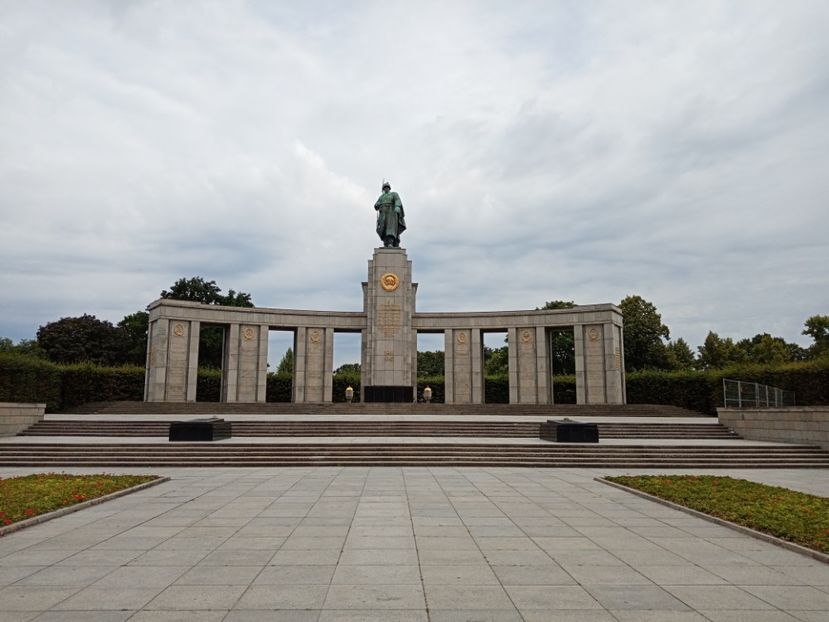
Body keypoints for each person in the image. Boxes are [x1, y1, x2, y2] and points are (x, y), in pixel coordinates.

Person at [374, 181, 406, 247]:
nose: (386, 188)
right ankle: (386, 242)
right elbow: (376, 205)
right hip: (383, 213)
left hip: (391, 212)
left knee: (390, 227)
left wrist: (397, 206)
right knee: (383, 228)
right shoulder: (381, 197)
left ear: (389, 188)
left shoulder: (394, 194)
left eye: (387, 187)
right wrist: (376, 205)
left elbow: (397, 200)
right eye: (385, 187)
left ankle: (390, 242)